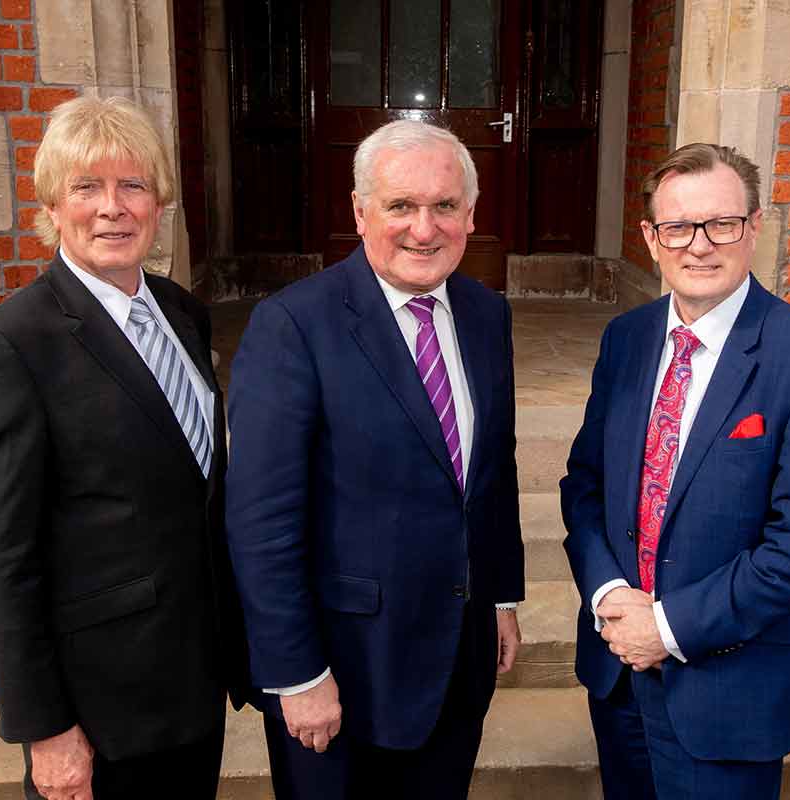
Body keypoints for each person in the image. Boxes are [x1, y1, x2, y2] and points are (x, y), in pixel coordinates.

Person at [0, 95, 247, 800]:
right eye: (86, 187)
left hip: (192, 685)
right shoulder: (9, 345)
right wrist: (47, 731)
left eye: (132, 185)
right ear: (52, 207)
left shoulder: (182, 312)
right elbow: (0, 558)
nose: (111, 207)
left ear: (158, 203)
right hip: (98, 709)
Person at [224, 119, 524, 800]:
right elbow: (261, 522)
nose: (425, 228)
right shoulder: (295, 325)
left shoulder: (485, 314)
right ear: (361, 213)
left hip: (457, 654)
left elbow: (491, 472)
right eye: (400, 206)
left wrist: (500, 594)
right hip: (344, 671)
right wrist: (296, 674)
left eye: (444, 206)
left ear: (470, 215)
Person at [560, 143, 790, 799]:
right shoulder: (627, 339)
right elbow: (585, 486)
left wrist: (664, 627)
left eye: (721, 223)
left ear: (754, 227)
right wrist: (609, 595)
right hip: (618, 673)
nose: (699, 245)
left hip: (732, 690)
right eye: (678, 227)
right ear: (650, 236)